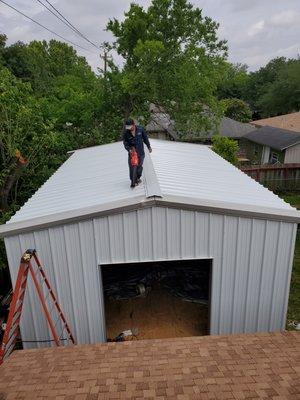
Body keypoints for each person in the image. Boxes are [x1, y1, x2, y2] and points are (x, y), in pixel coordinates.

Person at [123, 118, 152, 188]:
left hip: (140, 152)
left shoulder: (140, 129)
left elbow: (145, 138)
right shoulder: (126, 133)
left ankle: (138, 178)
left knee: (139, 167)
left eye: (130, 127)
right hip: (132, 153)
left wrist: (149, 147)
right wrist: (129, 149)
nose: (129, 128)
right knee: (132, 168)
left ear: (133, 125)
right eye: (127, 127)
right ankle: (133, 182)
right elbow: (125, 143)